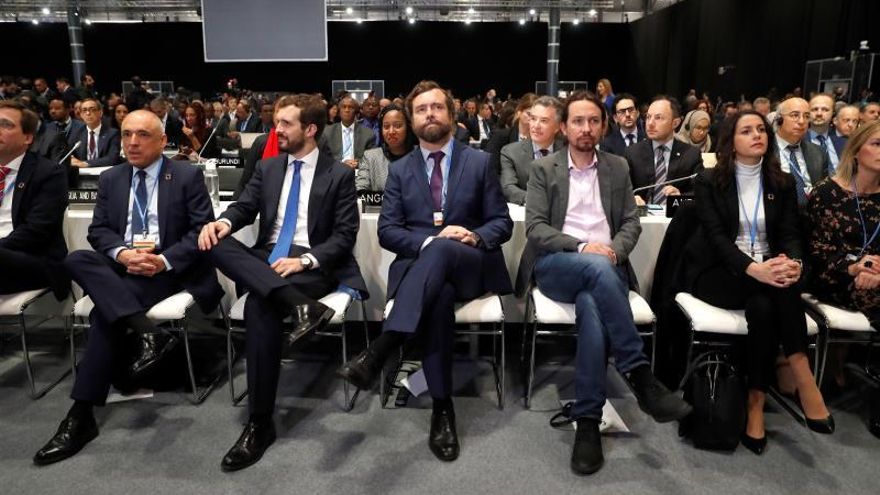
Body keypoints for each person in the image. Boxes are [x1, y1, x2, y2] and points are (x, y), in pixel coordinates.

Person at [514, 91, 691, 475]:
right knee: (594, 270)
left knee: (593, 305)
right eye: (577, 121)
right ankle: (639, 373)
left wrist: (613, 251)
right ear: (564, 127)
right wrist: (584, 247)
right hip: (556, 264)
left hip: (606, 268)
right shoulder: (545, 170)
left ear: (603, 125)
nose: (586, 128)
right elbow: (536, 228)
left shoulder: (617, 167)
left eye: (593, 121)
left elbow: (630, 222)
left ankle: (588, 422)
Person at [33, 110, 223, 466]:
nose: (132, 143)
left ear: (163, 141)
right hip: (124, 266)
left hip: (166, 269)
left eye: (142, 135)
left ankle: (80, 413)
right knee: (75, 260)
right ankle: (147, 331)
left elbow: (200, 231)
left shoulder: (185, 176)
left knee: (107, 314)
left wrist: (161, 261)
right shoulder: (112, 178)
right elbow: (99, 231)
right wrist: (123, 255)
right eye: (126, 135)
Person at [338, 80, 513, 462]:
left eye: (436, 107)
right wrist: (432, 243)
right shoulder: (399, 171)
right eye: (421, 109)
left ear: (451, 115)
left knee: (447, 248)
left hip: (472, 265)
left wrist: (470, 236)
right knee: (438, 296)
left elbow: (502, 223)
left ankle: (384, 346)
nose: (429, 113)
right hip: (425, 273)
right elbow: (388, 231)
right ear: (413, 119)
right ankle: (442, 408)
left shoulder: (480, 162)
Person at [198, 94, 367, 472]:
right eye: (277, 122)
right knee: (212, 242)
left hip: (311, 263)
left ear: (309, 129)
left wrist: (304, 259)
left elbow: (344, 235)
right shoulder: (269, 167)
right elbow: (244, 206)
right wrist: (223, 223)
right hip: (268, 257)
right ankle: (299, 306)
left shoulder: (337, 174)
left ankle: (259, 423)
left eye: (286, 123)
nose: (277, 129)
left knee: (260, 304)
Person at [683, 111, 833, 456]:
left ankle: (756, 403)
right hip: (719, 273)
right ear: (730, 142)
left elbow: (791, 235)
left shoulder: (781, 183)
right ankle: (801, 371)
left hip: (767, 276)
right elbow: (717, 240)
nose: (757, 135)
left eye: (761, 130)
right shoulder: (708, 181)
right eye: (746, 130)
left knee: (765, 305)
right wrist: (755, 269)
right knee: (774, 290)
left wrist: (793, 263)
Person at [807, 120, 880, 436]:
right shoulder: (826, 192)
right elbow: (816, 254)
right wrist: (854, 269)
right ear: (857, 150)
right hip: (832, 277)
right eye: (877, 144)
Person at [0, 100, 69, 299]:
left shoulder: (48, 173)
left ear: (28, 137)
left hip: (31, 258)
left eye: (6, 125)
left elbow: (36, 231)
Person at [625, 96, 703, 205]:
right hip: (641, 218)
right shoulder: (632, 153)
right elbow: (621, 190)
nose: (650, 123)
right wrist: (632, 198)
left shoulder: (691, 155)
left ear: (675, 123)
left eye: (658, 118)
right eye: (648, 117)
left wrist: (680, 197)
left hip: (675, 218)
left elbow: (701, 193)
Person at [500, 96, 564, 205]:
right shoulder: (511, 152)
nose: (536, 125)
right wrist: (537, 200)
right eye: (533, 119)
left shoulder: (569, 152)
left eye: (544, 121)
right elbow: (508, 187)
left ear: (557, 127)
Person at [774, 97, 829, 206]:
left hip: (810, 214)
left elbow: (823, 189)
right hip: (777, 214)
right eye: (795, 115)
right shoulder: (765, 150)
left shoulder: (818, 152)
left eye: (806, 116)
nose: (802, 121)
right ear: (779, 119)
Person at [356, 103, 416, 192]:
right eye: (386, 126)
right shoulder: (371, 157)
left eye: (398, 126)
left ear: (408, 127)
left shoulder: (421, 154)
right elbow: (360, 192)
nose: (391, 131)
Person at [319, 95, 376, 169]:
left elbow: (371, 159)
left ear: (356, 112)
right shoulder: (327, 132)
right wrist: (341, 163)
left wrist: (358, 163)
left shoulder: (368, 134)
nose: (347, 110)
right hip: (335, 170)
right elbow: (323, 157)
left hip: (359, 171)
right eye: (344, 107)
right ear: (339, 112)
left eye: (350, 107)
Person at [67, 98, 122, 168]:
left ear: (100, 113)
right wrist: (71, 160)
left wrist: (86, 163)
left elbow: (113, 158)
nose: (88, 113)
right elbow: (69, 156)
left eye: (92, 109)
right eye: (84, 110)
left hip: (104, 174)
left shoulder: (112, 133)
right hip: (82, 175)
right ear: (81, 115)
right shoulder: (76, 134)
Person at [807, 93, 840, 175]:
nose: (819, 113)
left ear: (833, 113)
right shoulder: (797, 141)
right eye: (814, 109)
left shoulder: (844, 141)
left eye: (825, 109)